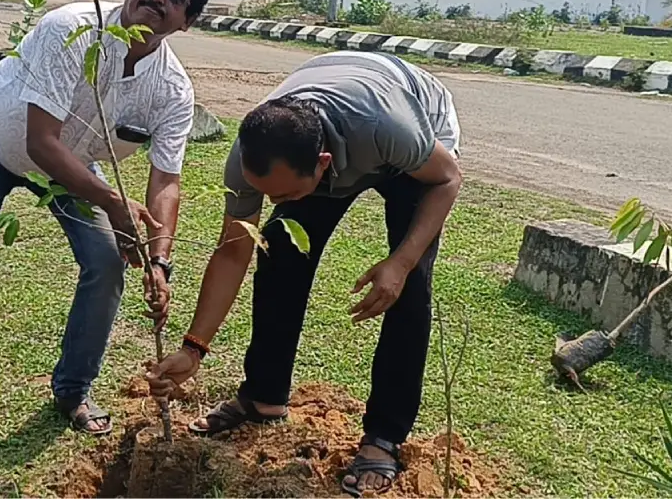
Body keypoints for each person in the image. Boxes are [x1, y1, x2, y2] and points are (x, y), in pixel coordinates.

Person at [0, 0, 211, 457]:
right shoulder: (71, 30)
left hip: (75, 167)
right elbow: (41, 141)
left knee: (108, 263)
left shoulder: (172, 91)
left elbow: (166, 181)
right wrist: (112, 202)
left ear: (187, 21)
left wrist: (161, 260)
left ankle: (72, 391)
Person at [146, 51, 463, 497]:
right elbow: (234, 251)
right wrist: (193, 349)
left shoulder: (389, 128)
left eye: (287, 193)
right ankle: (264, 396)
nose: (276, 202)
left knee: (406, 288)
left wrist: (402, 262)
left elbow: (448, 178)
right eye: (266, 194)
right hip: (333, 116)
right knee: (277, 251)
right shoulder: (248, 161)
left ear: (324, 164)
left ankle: (384, 436)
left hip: (415, 138)